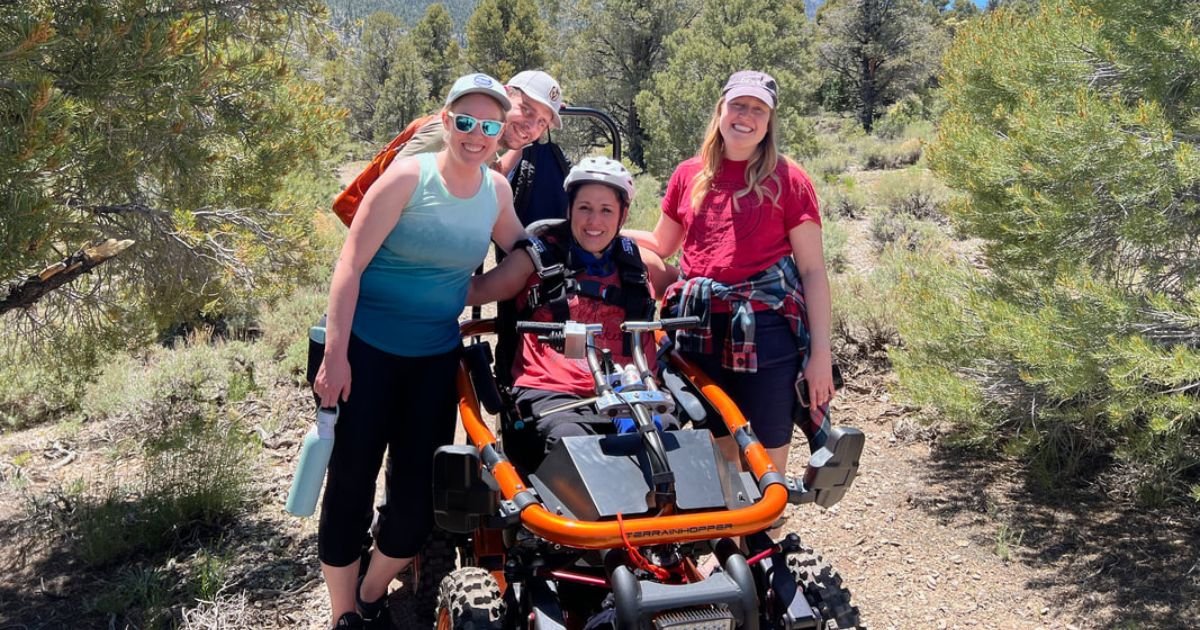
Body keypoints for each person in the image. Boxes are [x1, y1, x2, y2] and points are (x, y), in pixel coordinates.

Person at [311, 73, 527, 630]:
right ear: (445, 119)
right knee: (350, 483)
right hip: (366, 351)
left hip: (434, 358)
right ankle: (345, 614)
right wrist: (336, 356)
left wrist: (476, 290)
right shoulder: (409, 177)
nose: (476, 135)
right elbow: (350, 265)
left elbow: (523, 252)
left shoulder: (496, 193)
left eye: (489, 126)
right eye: (466, 122)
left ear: (502, 133)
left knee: (416, 497)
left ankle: (374, 589)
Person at [626, 70, 836, 482]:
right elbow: (661, 242)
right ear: (721, 110)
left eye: (758, 109)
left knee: (767, 463)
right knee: (719, 454)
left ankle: (765, 542)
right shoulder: (689, 174)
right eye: (738, 105)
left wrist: (821, 355)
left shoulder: (789, 179)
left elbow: (812, 270)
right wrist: (601, 232)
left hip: (766, 335)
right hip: (697, 330)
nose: (746, 116)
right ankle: (732, 541)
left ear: (769, 122)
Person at [466, 158, 673, 468]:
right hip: (554, 395)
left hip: (634, 390)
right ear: (569, 209)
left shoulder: (642, 265)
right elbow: (476, 290)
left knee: (675, 447)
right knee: (574, 447)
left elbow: (682, 292)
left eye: (606, 210)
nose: (593, 222)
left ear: (623, 215)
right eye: (584, 208)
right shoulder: (536, 259)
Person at [397, 70, 564, 175]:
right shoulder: (454, 130)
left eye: (542, 123)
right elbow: (389, 181)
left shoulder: (488, 143)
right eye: (526, 110)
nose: (532, 126)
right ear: (505, 94)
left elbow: (494, 174)